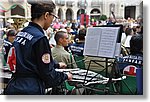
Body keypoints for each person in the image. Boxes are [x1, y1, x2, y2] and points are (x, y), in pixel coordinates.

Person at [4, 0, 72, 95]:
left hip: (14, 85)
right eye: (54, 16)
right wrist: (65, 76)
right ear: (46, 15)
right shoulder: (40, 38)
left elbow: (30, 59)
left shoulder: (22, 32)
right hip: (30, 89)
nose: (53, 20)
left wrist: (56, 65)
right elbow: (47, 74)